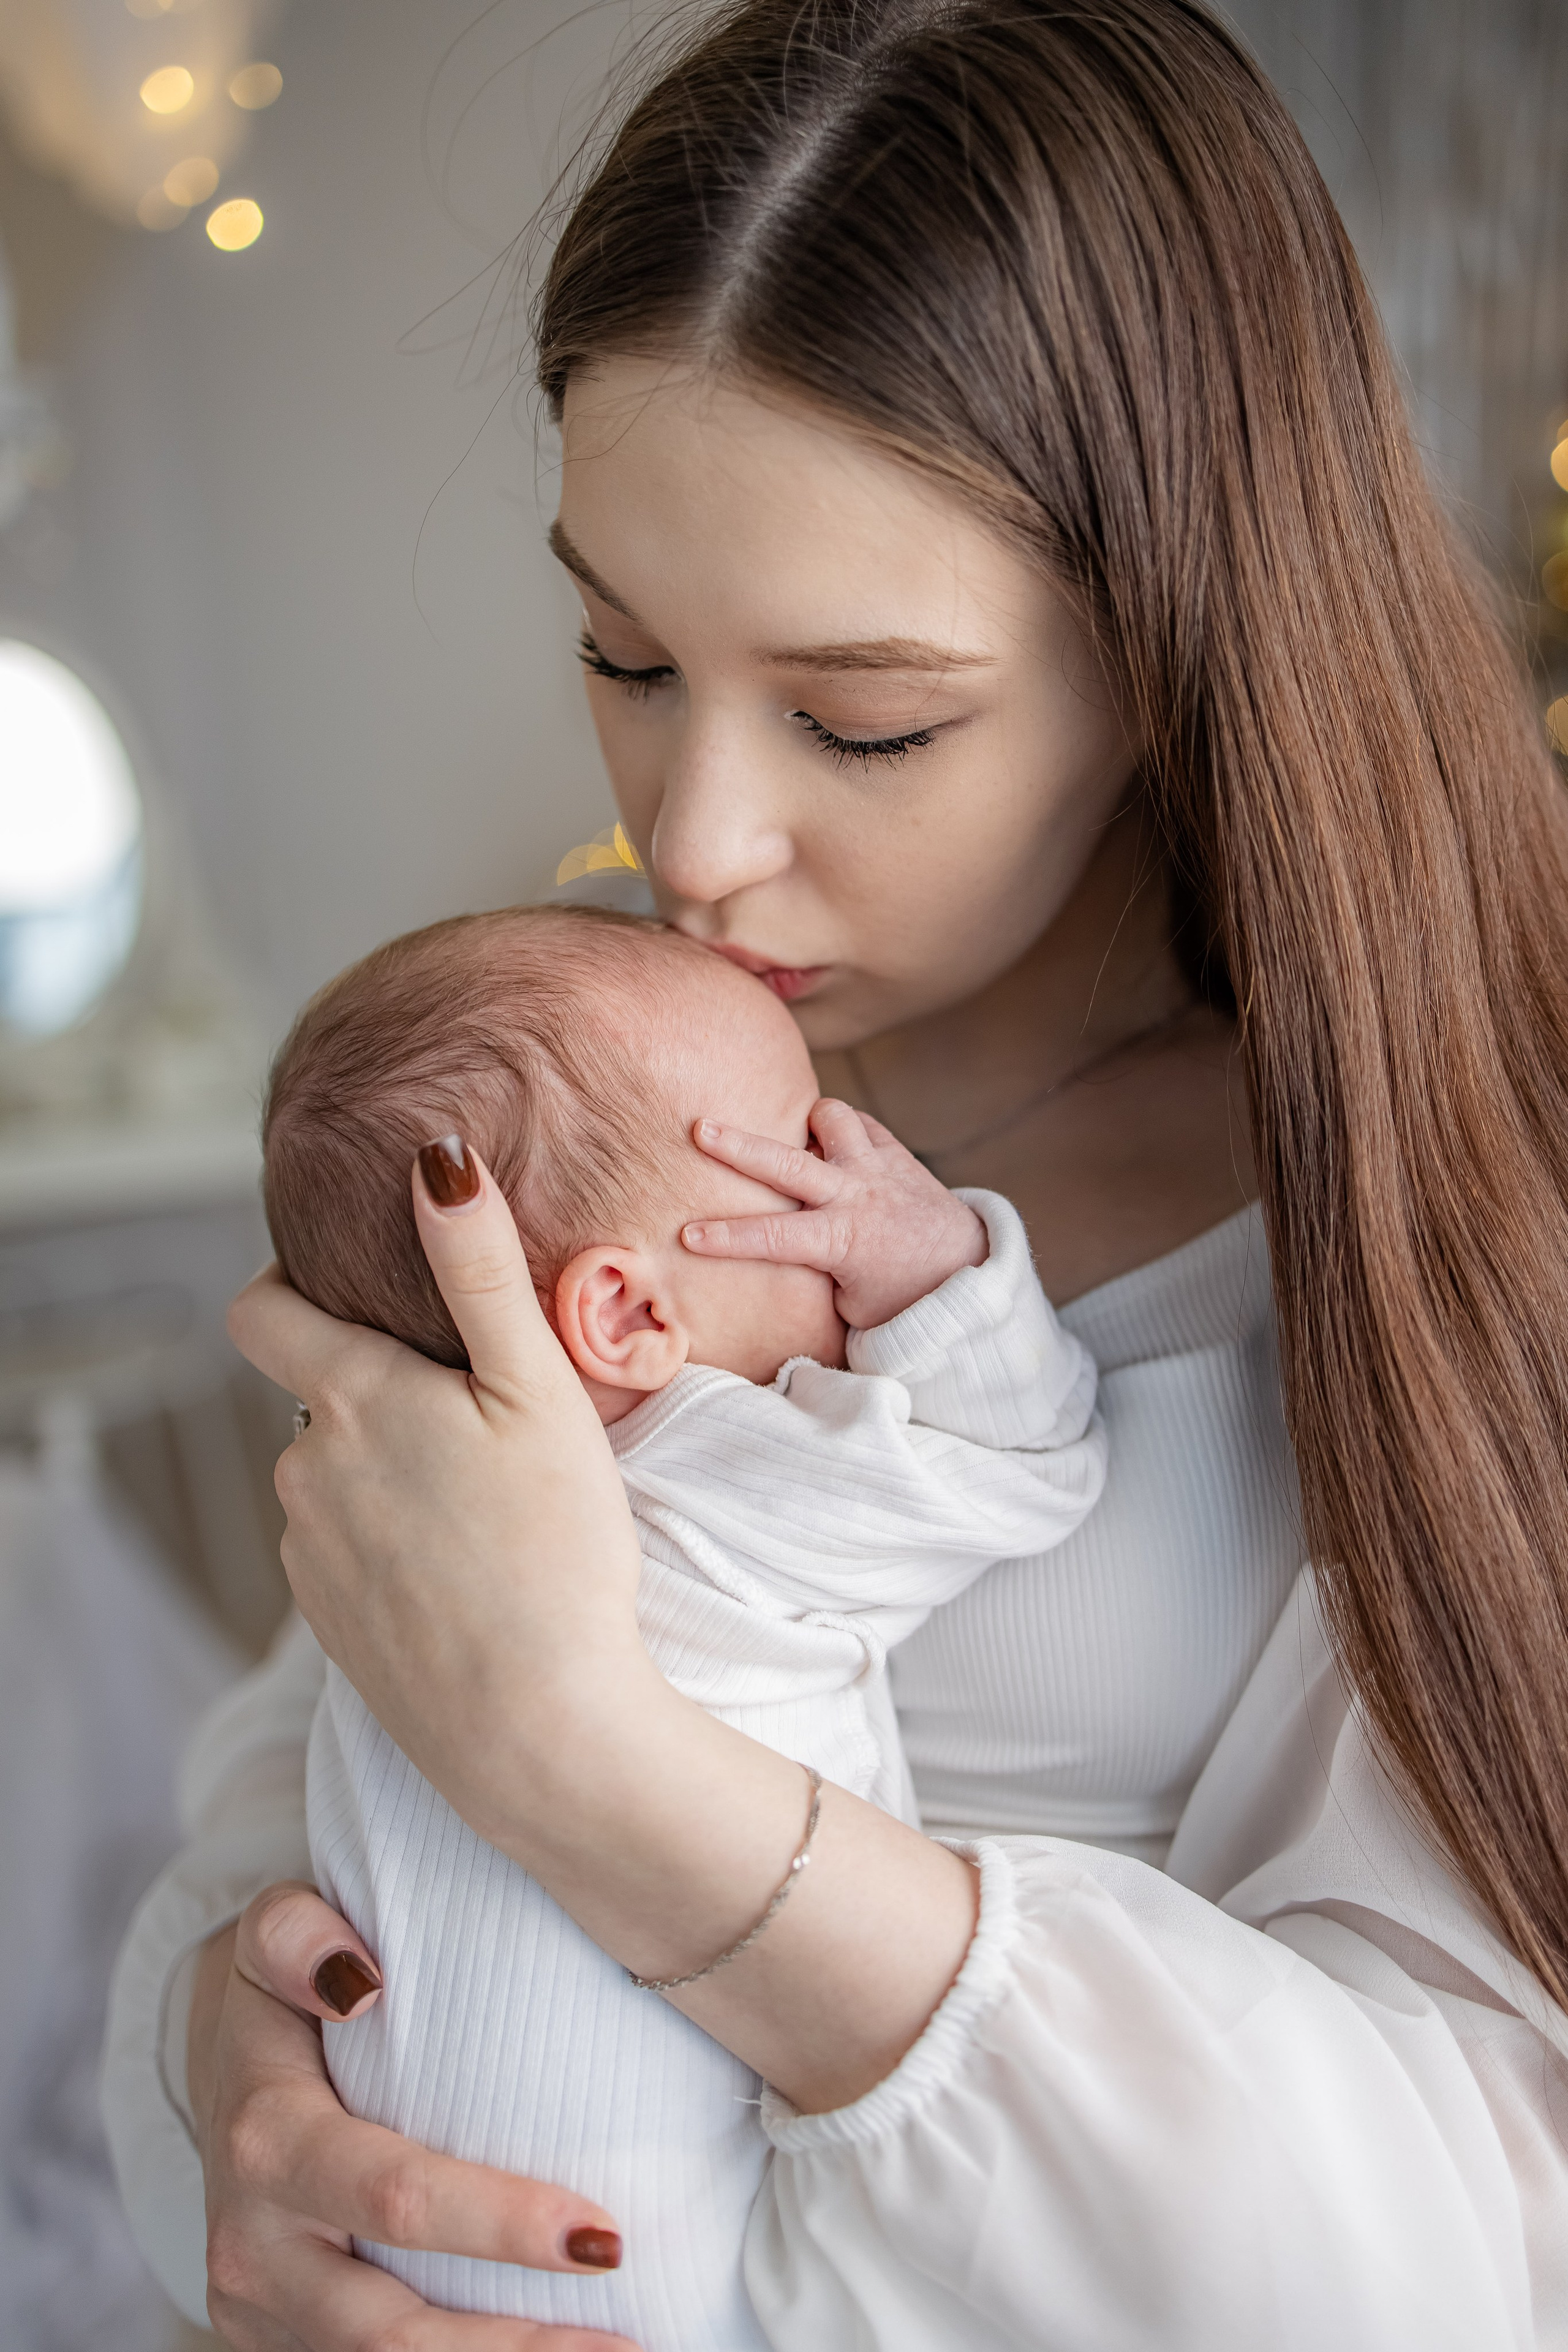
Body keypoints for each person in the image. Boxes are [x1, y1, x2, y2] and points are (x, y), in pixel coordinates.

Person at [103, 0, 1568, 2345]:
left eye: (864, 719)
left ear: (1176, 642)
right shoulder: (586, 1104)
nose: (693, 846)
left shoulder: (1442, 1187)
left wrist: (601, 1781)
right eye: (623, 654)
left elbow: (1467, 2249)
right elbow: (296, 1778)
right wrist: (234, 2058)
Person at [260, 900, 1104, 2346]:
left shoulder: (390, 1516)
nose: (856, 1177)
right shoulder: (719, 1467)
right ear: (629, 1319)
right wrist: (935, 1267)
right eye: (807, 1156)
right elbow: (1026, 1468)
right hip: (646, 2234)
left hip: (392, 2196)